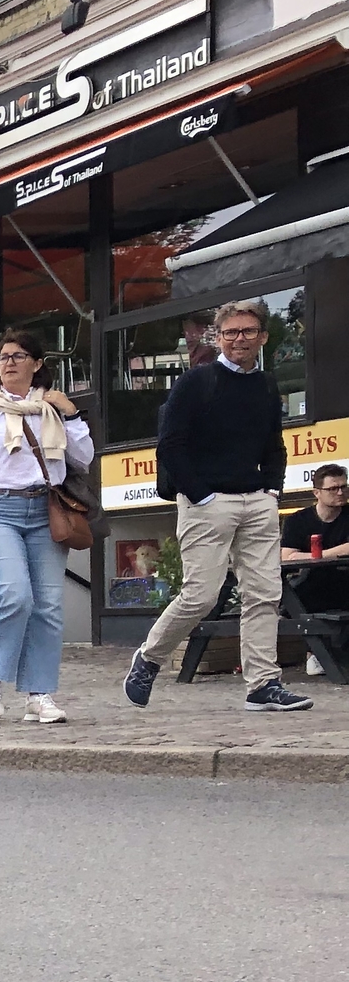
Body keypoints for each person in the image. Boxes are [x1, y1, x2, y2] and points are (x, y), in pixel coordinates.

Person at [125, 299, 310, 711]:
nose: (238, 339)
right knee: (201, 596)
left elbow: (273, 443)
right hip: (207, 504)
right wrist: (201, 494)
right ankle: (150, 658)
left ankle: (263, 684)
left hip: (257, 503)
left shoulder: (265, 384)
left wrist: (272, 491)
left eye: (247, 332)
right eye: (230, 332)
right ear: (219, 337)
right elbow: (170, 445)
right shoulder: (197, 382)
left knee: (263, 595)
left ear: (262, 337)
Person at [0, 329, 94, 723]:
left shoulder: (50, 410)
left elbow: (83, 457)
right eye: (4, 357)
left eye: (18, 356)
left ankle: (38, 694)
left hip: (43, 510)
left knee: (48, 605)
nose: (9, 362)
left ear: (38, 364)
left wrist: (71, 413)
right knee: (14, 596)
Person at [281, 462, 349, 559]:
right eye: (333, 489)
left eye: (343, 487)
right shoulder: (296, 521)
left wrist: (313, 556)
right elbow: (288, 557)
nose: (340, 493)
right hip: (310, 574)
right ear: (316, 493)